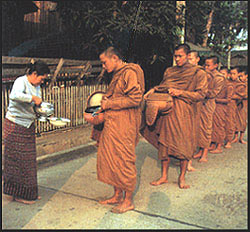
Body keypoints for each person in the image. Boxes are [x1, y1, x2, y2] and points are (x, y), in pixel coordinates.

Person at [140, 44, 208, 189]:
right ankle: (164, 176)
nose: (177, 59)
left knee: (183, 145)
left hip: (185, 112)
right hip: (167, 110)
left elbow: (201, 95)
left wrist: (180, 93)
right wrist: (153, 90)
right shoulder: (170, 71)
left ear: (188, 56)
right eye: (175, 56)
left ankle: (181, 177)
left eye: (180, 56)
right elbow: (163, 86)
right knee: (164, 143)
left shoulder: (198, 73)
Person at [87, 46, 145, 213]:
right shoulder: (117, 75)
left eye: (104, 62)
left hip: (125, 125)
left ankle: (128, 201)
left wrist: (109, 104)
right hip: (113, 123)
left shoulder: (130, 72)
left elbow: (135, 98)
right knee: (111, 159)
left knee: (124, 160)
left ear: (115, 58)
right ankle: (117, 195)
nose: (103, 66)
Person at [3, 60, 50, 204]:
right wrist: (32, 98)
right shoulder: (21, 81)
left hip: (27, 125)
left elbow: (35, 106)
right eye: (41, 79)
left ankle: (28, 193)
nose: (41, 82)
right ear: (34, 74)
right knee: (15, 161)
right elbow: (14, 96)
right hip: (15, 124)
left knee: (28, 162)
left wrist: (45, 114)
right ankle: (17, 194)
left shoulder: (37, 87)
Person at [193, 56, 224, 162]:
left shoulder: (219, 77)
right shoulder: (203, 74)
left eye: (208, 65)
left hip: (208, 104)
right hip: (199, 103)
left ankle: (204, 153)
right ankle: (200, 150)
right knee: (198, 127)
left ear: (216, 65)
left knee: (206, 127)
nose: (206, 67)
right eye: (205, 65)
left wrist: (201, 92)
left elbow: (214, 93)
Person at [186, 50, 205, 171]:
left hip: (194, 106)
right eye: (187, 59)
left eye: (191, 59)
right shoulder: (181, 72)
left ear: (197, 59)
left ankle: (188, 161)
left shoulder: (199, 73)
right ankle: (182, 158)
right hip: (180, 106)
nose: (189, 61)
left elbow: (201, 93)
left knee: (191, 133)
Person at [209, 67, 232, 153]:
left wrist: (216, 100)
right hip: (215, 107)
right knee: (213, 126)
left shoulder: (229, 86)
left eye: (224, 74)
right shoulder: (218, 84)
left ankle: (219, 146)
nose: (221, 76)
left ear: (228, 75)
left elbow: (228, 100)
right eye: (220, 74)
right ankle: (213, 144)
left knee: (219, 126)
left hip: (221, 108)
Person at [231, 66, 248, 144]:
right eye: (239, 76)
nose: (240, 78)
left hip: (244, 105)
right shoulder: (238, 84)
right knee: (236, 120)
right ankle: (235, 137)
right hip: (237, 104)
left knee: (243, 121)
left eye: (242, 76)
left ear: (246, 76)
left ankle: (241, 138)